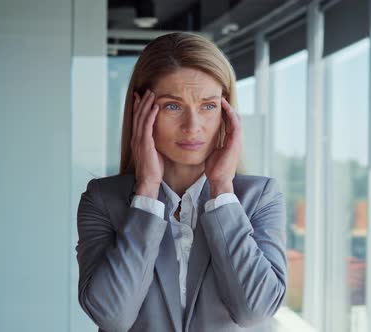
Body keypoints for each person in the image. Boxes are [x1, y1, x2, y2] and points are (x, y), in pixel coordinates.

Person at [76, 31, 286, 332]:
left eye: (208, 106)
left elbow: (254, 312)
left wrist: (222, 191)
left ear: (227, 113)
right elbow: (113, 316)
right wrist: (146, 192)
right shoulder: (102, 199)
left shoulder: (260, 197)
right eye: (173, 106)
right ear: (141, 110)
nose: (192, 127)